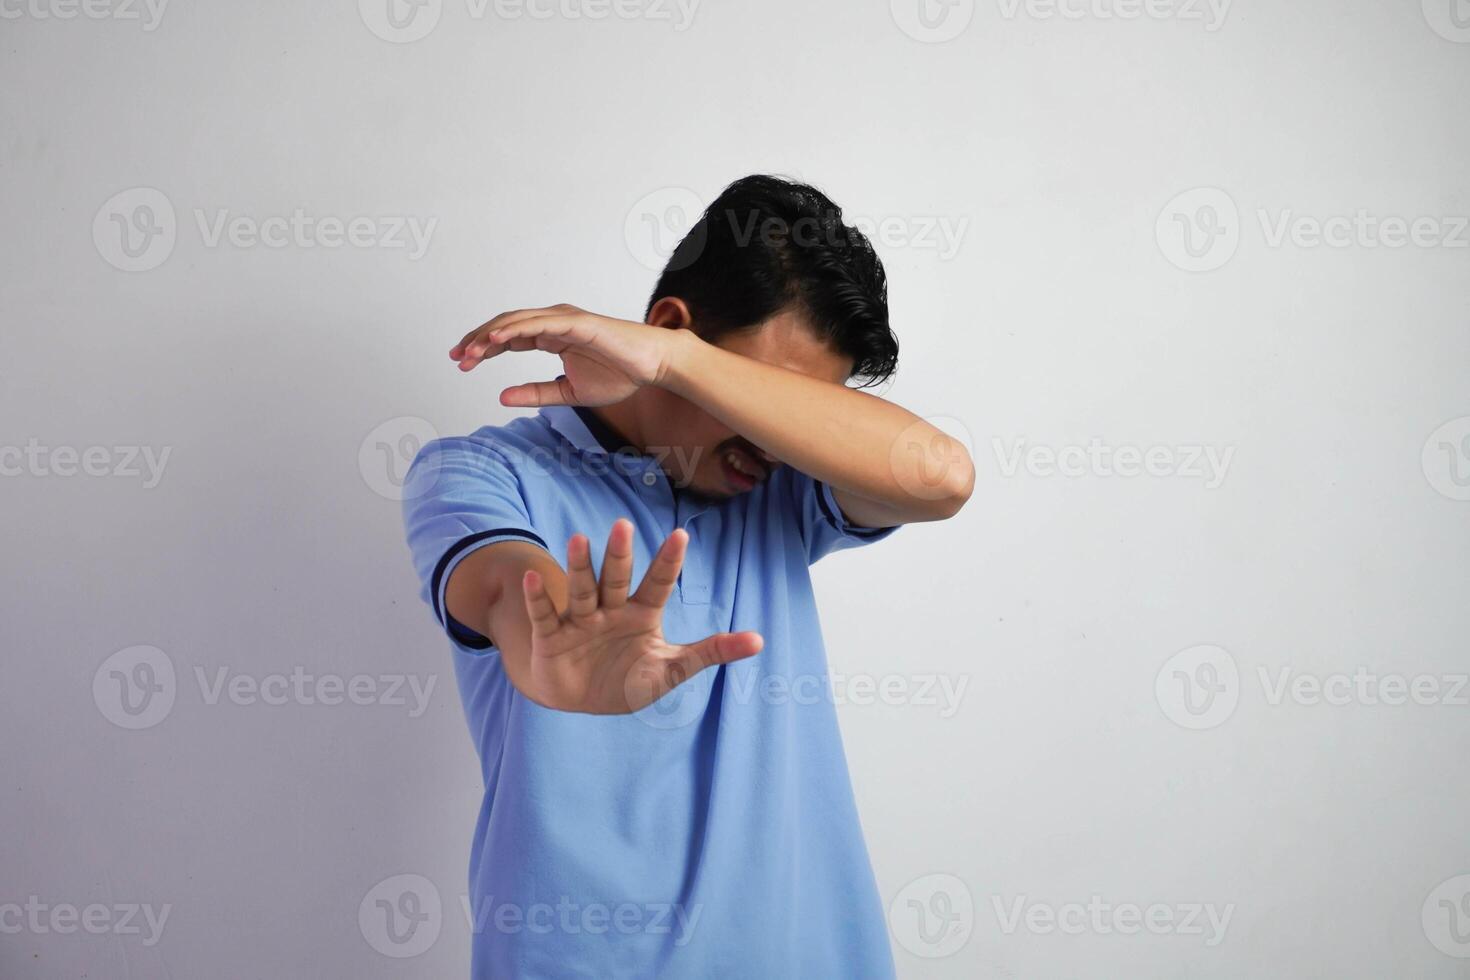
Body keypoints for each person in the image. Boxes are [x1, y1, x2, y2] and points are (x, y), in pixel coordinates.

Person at [402, 175, 974, 978]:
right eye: (760, 392)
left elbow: (941, 474)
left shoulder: (787, 488)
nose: (771, 439)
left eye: (788, 407)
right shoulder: (480, 473)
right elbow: (502, 590)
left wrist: (678, 364)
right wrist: (551, 643)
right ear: (673, 323)